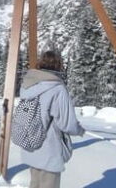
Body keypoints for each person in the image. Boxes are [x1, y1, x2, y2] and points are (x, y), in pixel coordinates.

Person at [19, 51, 84, 188]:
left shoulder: (28, 84)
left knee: (35, 183)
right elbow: (67, 123)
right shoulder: (58, 88)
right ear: (59, 65)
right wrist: (79, 129)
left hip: (30, 143)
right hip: (49, 147)